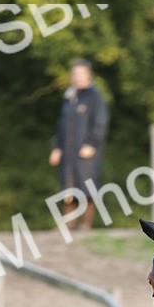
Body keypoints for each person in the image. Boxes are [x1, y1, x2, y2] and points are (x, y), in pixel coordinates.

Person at [49, 59, 110, 230]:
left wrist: (92, 144)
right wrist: (57, 147)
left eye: (82, 74)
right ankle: (69, 224)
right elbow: (61, 125)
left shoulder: (95, 97)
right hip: (68, 151)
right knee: (68, 187)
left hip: (87, 152)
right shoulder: (70, 97)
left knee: (87, 187)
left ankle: (86, 224)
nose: (78, 78)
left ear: (89, 75)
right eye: (75, 74)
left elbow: (101, 123)